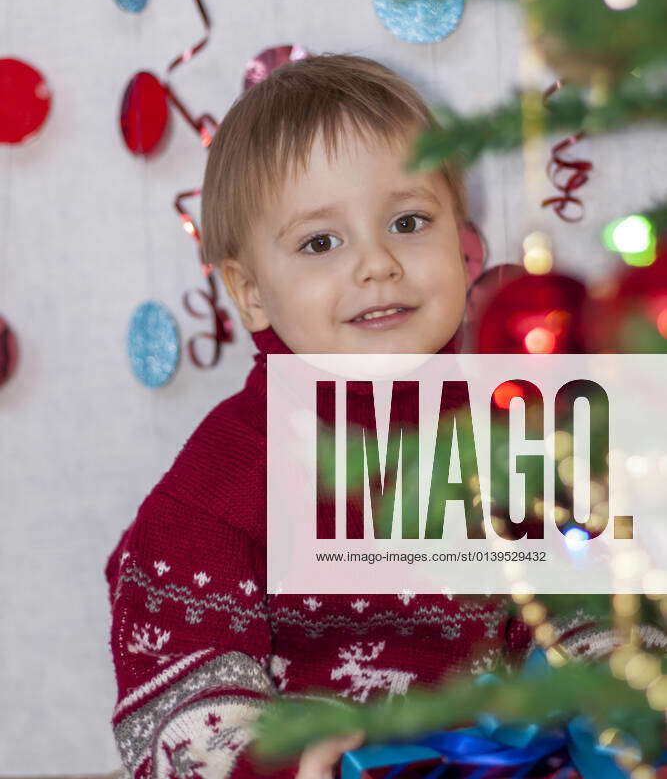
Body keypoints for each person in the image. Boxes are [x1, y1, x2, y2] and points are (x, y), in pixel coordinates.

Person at [104, 54, 605, 779]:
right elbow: (184, 665)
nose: (376, 263)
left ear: (460, 246)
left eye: (408, 222)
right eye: (320, 242)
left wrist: (610, 687)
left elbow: (585, 585)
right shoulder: (233, 466)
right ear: (249, 294)